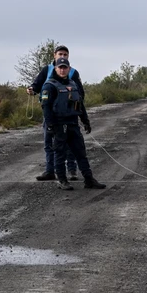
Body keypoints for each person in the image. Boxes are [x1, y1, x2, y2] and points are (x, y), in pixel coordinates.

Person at [40, 59, 105, 190]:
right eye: (60, 68)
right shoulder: (49, 86)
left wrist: (85, 121)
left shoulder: (73, 84)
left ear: (69, 69)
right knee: (60, 154)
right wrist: (51, 126)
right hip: (59, 125)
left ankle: (89, 179)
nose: (62, 70)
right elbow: (46, 108)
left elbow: (79, 104)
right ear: (56, 69)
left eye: (65, 68)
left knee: (80, 153)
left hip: (73, 124)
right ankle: (62, 180)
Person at [28, 45, 84, 180]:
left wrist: (80, 112)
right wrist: (32, 89)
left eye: (65, 54)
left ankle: (72, 171)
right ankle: (50, 171)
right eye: (60, 54)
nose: (62, 57)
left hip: (69, 114)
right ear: (54, 55)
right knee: (49, 143)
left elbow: (80, 93)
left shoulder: (73, 72)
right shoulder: (46, 70)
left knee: (70, 144)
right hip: (50, 113)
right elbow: (37, 85)